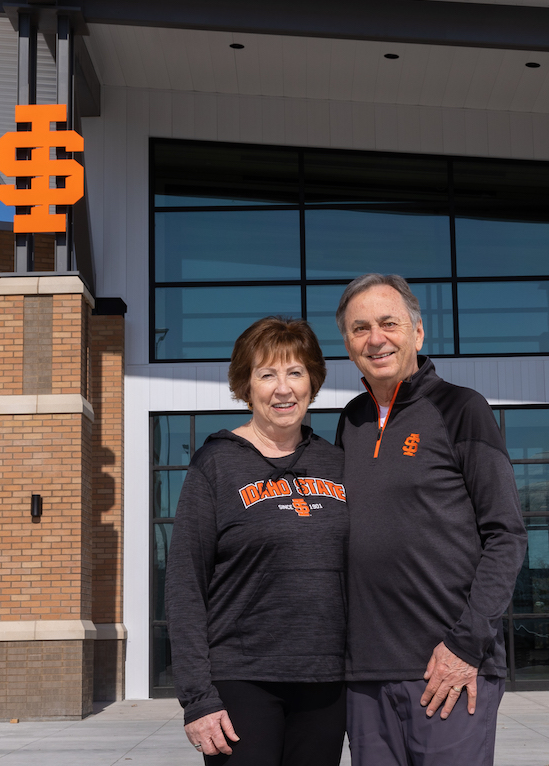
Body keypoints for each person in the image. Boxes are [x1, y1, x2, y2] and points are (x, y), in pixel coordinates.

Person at [334, 274, 527, 766]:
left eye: (388, 323)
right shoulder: (350, 422)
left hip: (449, 669)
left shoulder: (462, 409)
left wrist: (465, 647)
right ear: (348, 344)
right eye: (360, 328)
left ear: (418, 334)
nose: (375, 338)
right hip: (365, 677)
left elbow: (506, 536)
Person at [167, 317, 349, 765]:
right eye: (267, 374)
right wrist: (197, 697)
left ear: (313, 382)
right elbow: (185, 584)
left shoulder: (338, 463)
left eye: (295, 372)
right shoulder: (216, 464)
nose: (283, 388)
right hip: (241, 681)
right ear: (246, 386)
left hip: (326, 681)